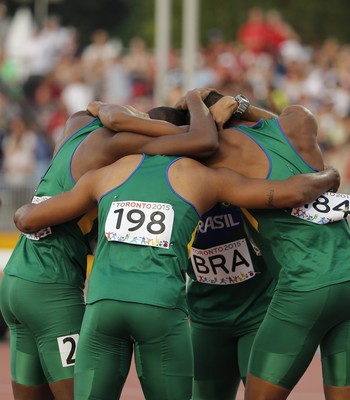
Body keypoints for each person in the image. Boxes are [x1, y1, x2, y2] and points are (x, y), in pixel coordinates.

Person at [12, 92, 339, 400]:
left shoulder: (107, 174)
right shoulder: (207, 176)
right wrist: (328, 174)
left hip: (91, 300)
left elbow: (28, 218)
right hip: (174, 311)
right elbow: (282, 172)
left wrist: (30, 207)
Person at [0, 88, 221, 400]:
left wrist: (103, 107)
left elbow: (103, 113)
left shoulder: (76, 124)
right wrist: (195, 102)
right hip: (52, 288)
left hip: (16, 281)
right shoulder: (119, 147)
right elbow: (202, 140)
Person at [196, 91, 350, 400]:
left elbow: (294, 193)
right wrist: (241, 105)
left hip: (306, 284)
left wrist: (192, 104)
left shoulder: (221, 156)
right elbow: (276, 127)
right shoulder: (300, 123)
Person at [186, 102, 278, 400]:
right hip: (204, 317)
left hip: (258, 312)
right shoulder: (177, 173)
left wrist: (239, 103)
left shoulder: (251, 168)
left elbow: (288, 136)